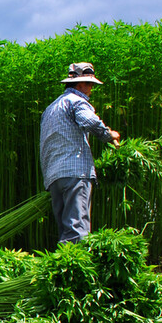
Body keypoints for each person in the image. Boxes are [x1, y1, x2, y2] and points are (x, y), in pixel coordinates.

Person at [39, 62, 120, 243]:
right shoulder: (77, 102)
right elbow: (89, 121)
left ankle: (66, 267)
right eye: (90, 84)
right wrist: (108, 134)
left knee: (66, 230)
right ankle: (76, 270)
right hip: (75, 172)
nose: (91, 89)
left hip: (54, 176)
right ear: (80, 84)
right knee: (77, 231)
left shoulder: (50, 109)